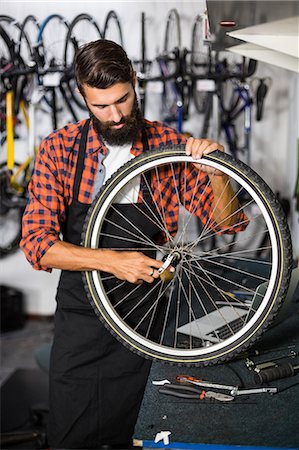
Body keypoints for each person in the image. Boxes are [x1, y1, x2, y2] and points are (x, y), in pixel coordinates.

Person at [20, 39, 244, 449]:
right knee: (70, 436)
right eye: (100, 106)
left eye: (122, 100)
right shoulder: (60, 149)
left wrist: (217, 169)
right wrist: (112, 261)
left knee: (142, 435)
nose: (116, 114)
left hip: (146, 322)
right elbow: (38, 244)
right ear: (81, 96)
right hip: (81, 318)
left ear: (135, 82)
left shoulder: (168, 147)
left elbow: (227, 223)